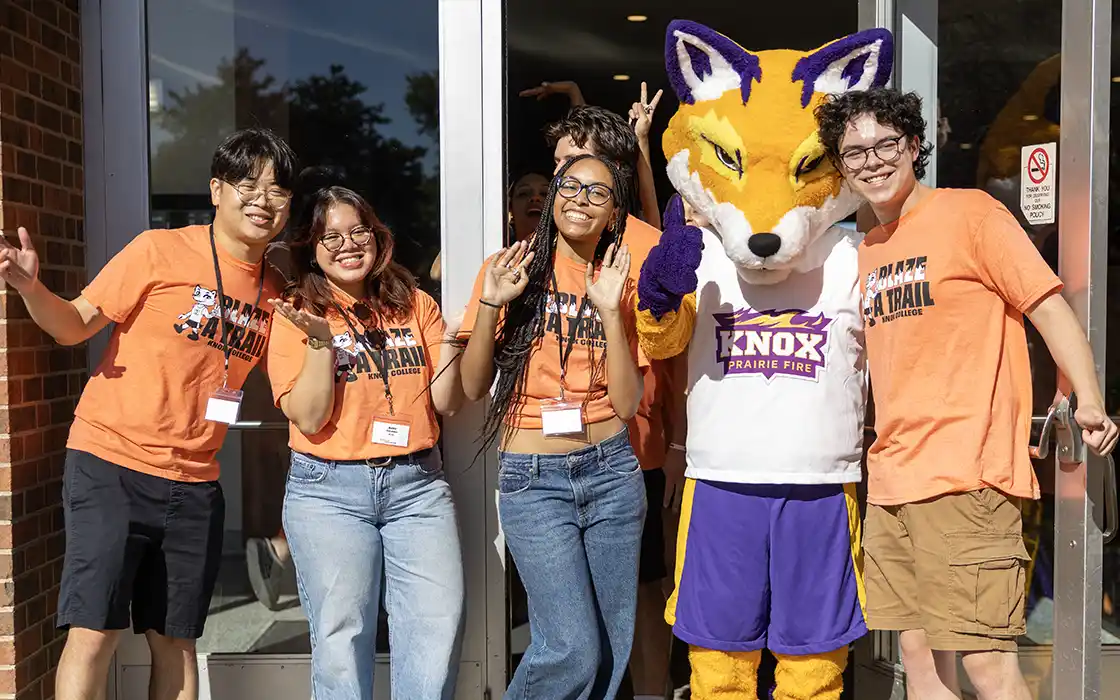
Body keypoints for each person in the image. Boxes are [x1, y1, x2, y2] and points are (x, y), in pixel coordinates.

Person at [815, 87, 1120, 700]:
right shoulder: (869, 245)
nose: (871, 161)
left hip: (967, 476)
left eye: (885, 144)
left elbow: (1048, 306)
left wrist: (1087, 396)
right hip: (894, 479)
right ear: (841, 166)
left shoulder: (971, 213)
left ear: (914, 145)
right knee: (919, 654)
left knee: (984, 659)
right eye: (854, 153)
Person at [0, 128, 296, 700]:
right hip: (111, 463)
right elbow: (73, 325)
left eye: (277, 189)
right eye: (247, 183)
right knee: (94, 631)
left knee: (177, 640)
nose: (263, 198)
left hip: (194, 483)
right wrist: (31, 287)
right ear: (217, 190)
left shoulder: (277, 291)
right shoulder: (158, 250)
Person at [266, 185, 465, 699]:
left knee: (435, 628)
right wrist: (318, 343)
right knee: (341, 641)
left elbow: (445, 402)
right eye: (330, 236)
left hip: (417, 487)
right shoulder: (295, 312)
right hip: (330, 492)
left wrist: (453, 337)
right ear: (311, 247)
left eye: (357, 231)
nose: (347, 244)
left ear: (376, 236)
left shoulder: (414, 303)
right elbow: (308, 417)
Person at [459, 153, 646, 699]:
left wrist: (611, 309)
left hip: (611, 470)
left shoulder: (618, 277)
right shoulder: (511, 265)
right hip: (534, 479)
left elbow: (628, 402)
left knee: (610, 650)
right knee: (570, 647)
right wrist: (493, 304)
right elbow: (473, 386)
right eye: (570, 186)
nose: (579, 200)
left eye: (597, 193)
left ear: (613, 213)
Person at [543, 93, 685, 700]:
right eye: (559, 163)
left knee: (643, 588)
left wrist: (677, 442)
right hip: (552, 451)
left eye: (579, 162)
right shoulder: (538, 245)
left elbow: (677, 360)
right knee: (572, 604)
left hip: (636, 447)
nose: (565, 178)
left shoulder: (650, 247)